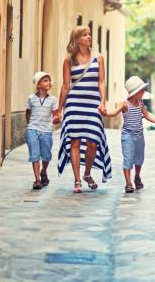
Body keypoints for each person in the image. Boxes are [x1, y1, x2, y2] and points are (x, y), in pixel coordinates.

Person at [55, 26, 111, 193]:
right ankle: (77, 179)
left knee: (93, 141)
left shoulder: (98, 58)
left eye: (89, 34)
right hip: (73, 104)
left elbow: (101, 82)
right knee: (75, 141)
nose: (89, 36)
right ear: (77, 39)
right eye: (85, 35)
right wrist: (59, 109)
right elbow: (66, 86)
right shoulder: (68, 60)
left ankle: (87, 173)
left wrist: (103, 102)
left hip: (93, 104)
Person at [105, 76, 155, 193]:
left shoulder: (140, 103)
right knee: (128, 159)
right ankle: (128, 183)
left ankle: (137, 177)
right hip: (128, 136)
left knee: (139, 159)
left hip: (139, 136)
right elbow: (114, 113)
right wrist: (106, 113)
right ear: (134, 92)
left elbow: (147, 114)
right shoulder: (124, 104)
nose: (143, 92)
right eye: (141, 90)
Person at [25, 71, 59, 190]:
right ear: (38, 85)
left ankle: (43, 171)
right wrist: (29, 125)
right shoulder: (31, 98)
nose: (49, 82)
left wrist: (56, 119)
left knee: (46, 155)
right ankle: (37, 180)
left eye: (49, 80)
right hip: (33, 130)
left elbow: (56, 114)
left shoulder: (53, 100)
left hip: (46, 131)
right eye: (45, 80)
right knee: (35, 155)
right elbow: (28, 113)